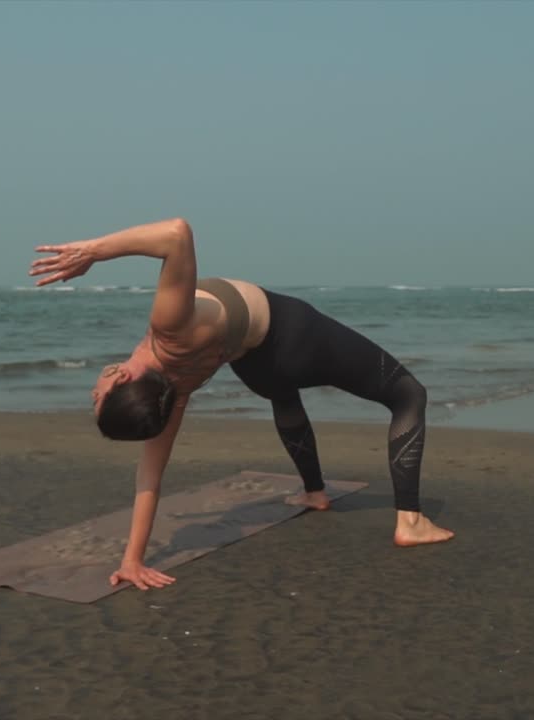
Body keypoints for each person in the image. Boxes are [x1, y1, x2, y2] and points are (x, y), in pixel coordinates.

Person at [30, 218, 454, 591]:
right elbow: (176, 233)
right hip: (292, 335)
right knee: (408, 393)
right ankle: (411, 521)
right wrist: (91, 253)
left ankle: (315, 492)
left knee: (282, 394)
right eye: (97, 399)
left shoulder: (170, 397)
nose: (92, 395)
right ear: (121, 378)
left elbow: (149, 479)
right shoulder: (168, 327)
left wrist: (132, 561)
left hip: (255, 366)